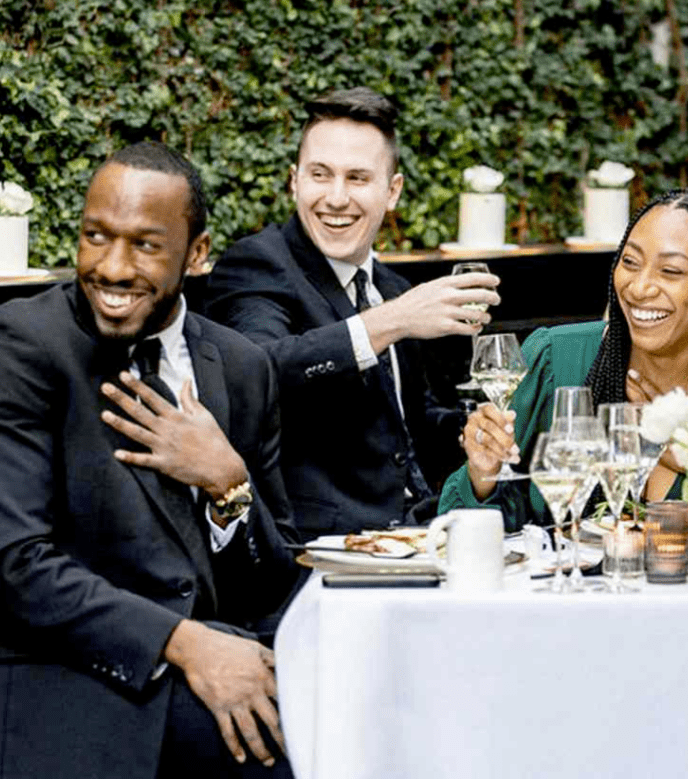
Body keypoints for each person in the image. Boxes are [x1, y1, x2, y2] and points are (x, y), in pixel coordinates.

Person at [0, 142, 303, 779]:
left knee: (385, 715)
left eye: (145, 246)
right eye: (95, 237)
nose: (111, 267)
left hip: (219, 667)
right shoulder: (18, 347)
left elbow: (269, 588)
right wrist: (188, 644)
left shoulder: (242, 366)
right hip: (75, 698)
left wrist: (228, 483)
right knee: (341, 749)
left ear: (197, 255)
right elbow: (13, 569)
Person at [204, 87, 501, 540]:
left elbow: (410, 425)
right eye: (320, 175)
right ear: (294, 181)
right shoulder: (256, 266)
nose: (336, 198)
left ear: (392, 191)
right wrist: (392, 320)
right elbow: (257, 371)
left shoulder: (391, 289)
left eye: (358, 178)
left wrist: (472, 430)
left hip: (425, 537)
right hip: (316, 553)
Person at [438, 188, 688, 530]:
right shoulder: (556, 361)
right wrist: (484, 475)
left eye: (670, 271)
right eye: (630, 262)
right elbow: (459, 533)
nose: (639, 287)